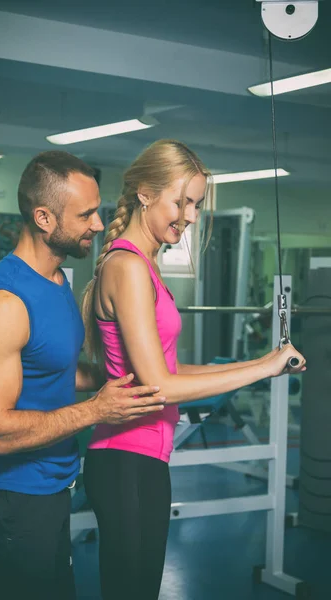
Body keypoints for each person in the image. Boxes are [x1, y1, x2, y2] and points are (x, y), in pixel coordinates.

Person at [80, 139, 306, 600]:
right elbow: (159, 384)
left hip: (146, 459)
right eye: (181, 201)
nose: (190, 216)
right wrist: (261, 371)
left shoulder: (145, 265)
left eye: (197, 204)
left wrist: (263, 362)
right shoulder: (126, 266)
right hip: (125, 458)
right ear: (145, 192)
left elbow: (168, 365)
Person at [0, 151, 166, 600]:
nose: (98, 224)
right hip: (11, 501)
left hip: (53, 491)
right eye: (86, 214)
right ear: (43, 218)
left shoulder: (57, 283)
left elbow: (55, 369)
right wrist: (97, 410)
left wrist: (128, 373)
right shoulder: (2, 302)